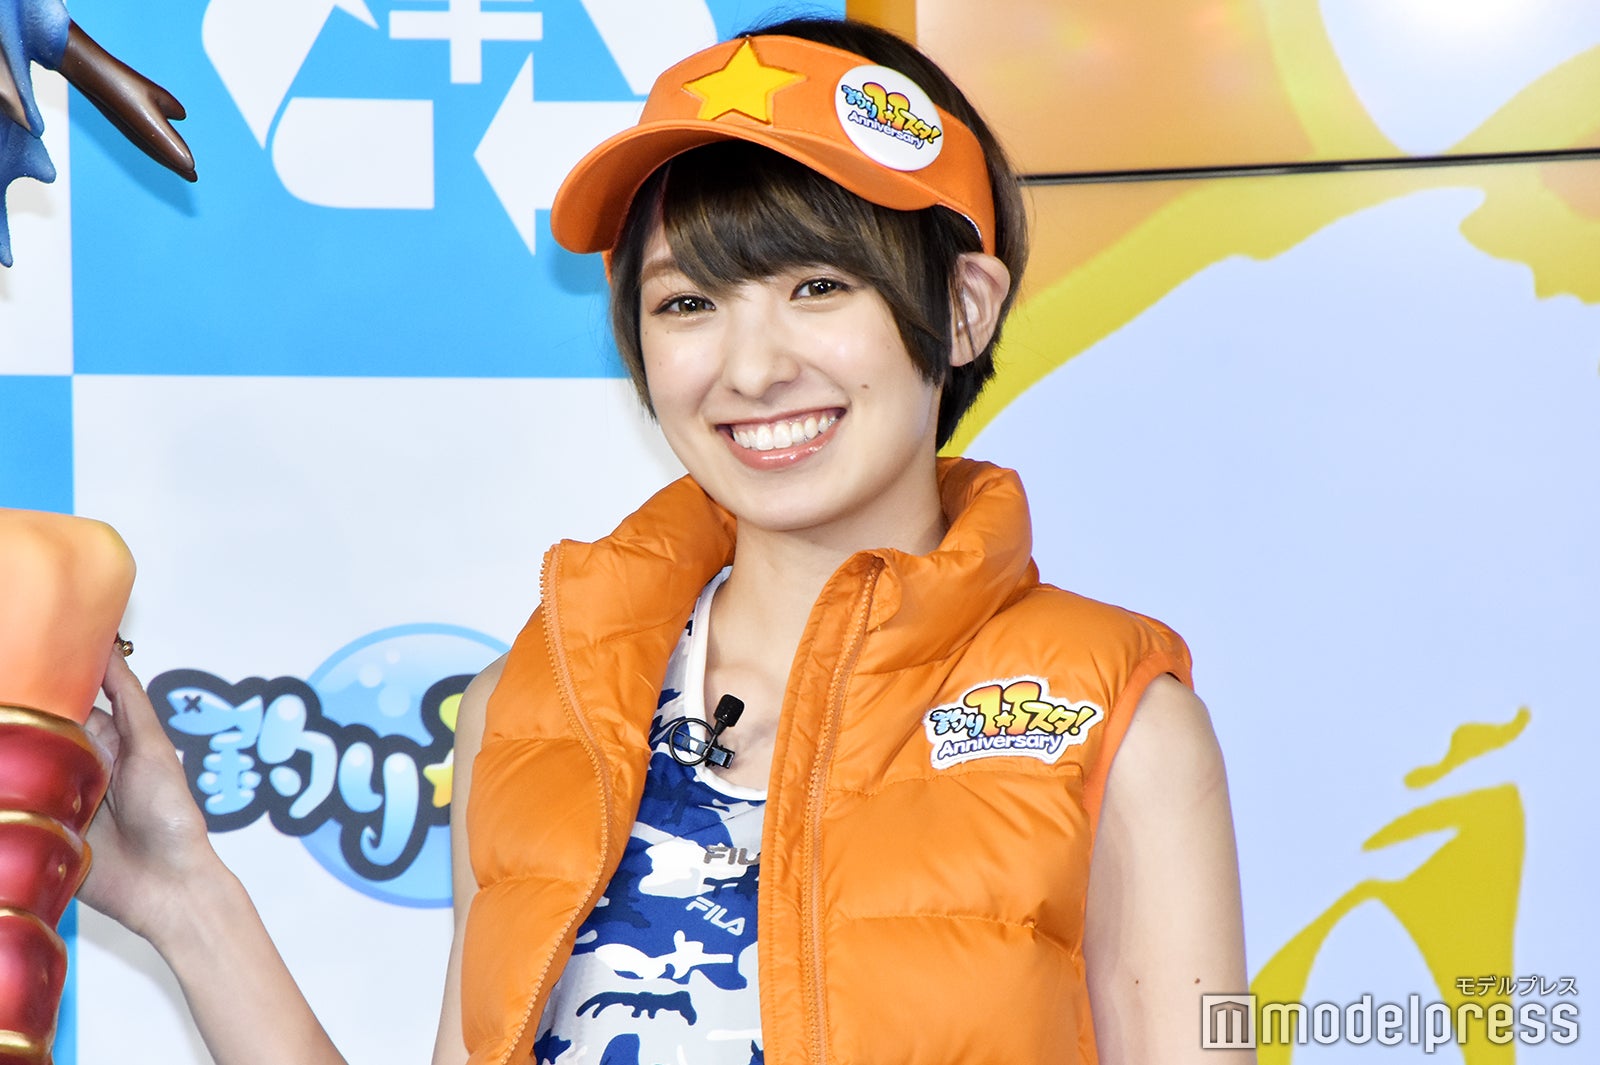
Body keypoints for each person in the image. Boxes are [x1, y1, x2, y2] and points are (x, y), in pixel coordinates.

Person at [83, 15, 1251, 1065]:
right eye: (688, 302)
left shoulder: (1120, 722)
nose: (751, 368)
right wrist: (189, 900)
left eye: (817, 286)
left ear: (960, 308)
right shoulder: (530, 705)